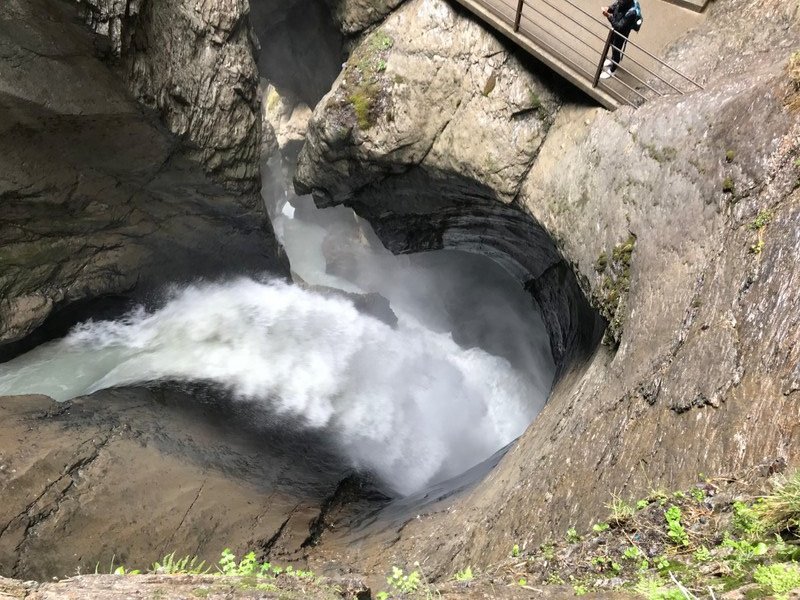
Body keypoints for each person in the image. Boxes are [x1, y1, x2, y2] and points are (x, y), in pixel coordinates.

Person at [600, 0, 640, 79]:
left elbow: (619, 27)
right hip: (614, 29)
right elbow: (614, 7)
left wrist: (608, 16)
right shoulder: (622, 2)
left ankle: (612, 70)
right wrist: (608, 8)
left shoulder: (631, 13)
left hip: (621, 34)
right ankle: (612, 60)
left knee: (616, 50)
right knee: (612, 44)